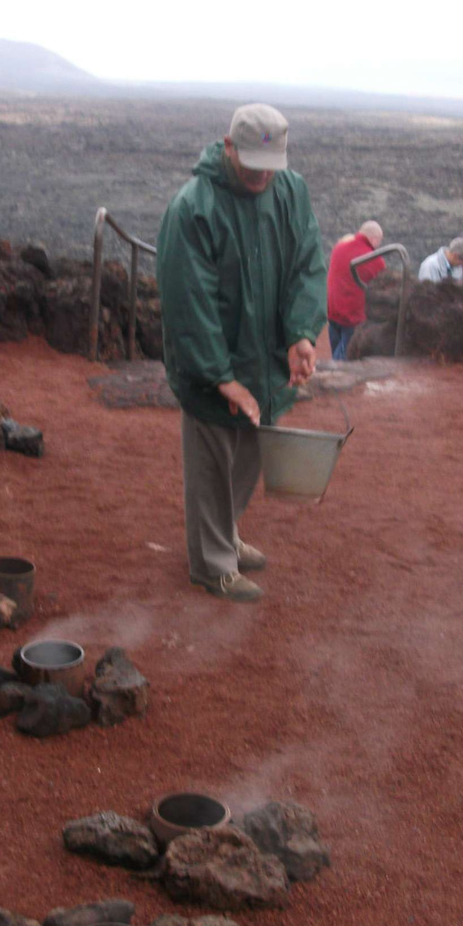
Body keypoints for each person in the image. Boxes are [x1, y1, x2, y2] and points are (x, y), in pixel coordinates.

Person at [157, 103, 326, 603]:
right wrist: (219, 376)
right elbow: (189, 301)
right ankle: (212, 566)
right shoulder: (194, 207)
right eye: (251, 165)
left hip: (266, 359)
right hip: (214, 366)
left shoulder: (290, 191)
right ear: (228, 147)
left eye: (269, 168)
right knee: (212, 465)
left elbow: (307, 265)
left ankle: (225, 536)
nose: (260, 177)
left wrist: (301, 334)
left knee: (250, 455)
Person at [326, 220, 384, 361]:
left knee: (336, 349)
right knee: (344, 360)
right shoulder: (375, 260)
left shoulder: (339, 248)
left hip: (332, 311)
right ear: (374, 239)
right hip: (352, 318)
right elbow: (382, 286)